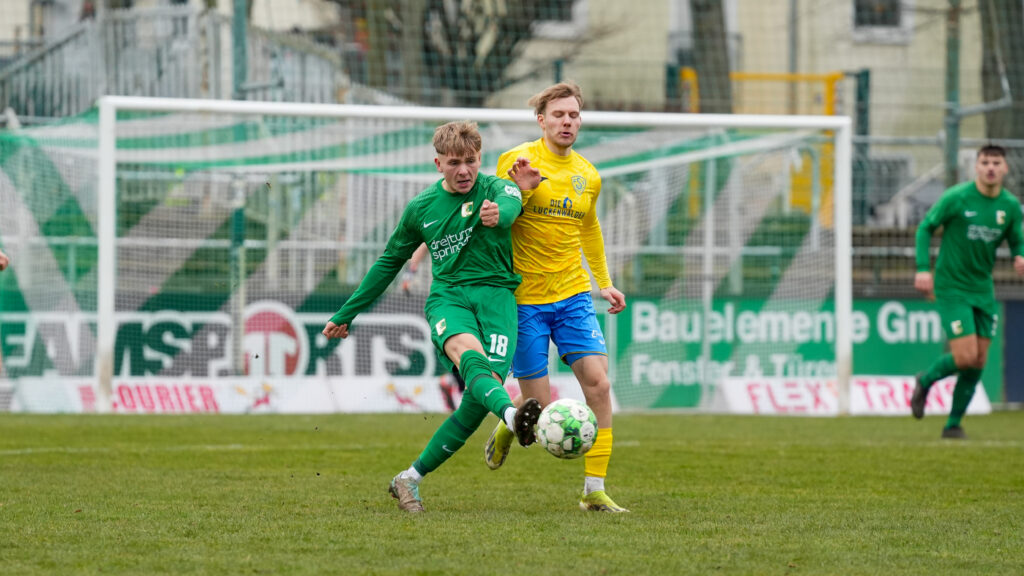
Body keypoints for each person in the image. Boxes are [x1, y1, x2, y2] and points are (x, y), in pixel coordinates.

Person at [322, 121, 543, 512]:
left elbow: (510, 205)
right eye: (454, 162)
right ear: (437, 163)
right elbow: (390, 261)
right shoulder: (420, 209)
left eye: (471, 161)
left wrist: (499, 215)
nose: (464, 171)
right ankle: (511, 414)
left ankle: (408, 478)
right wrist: (347, 313)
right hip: (449, 298)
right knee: (469, 358)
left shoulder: (496, 188)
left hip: (498, 301)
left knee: (476, 402)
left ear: (480, 160)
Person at [484, 83, 629, 512]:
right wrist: (523, 189)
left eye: (575, 115)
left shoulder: (589, 175)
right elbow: (499, 214)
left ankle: (594, 491)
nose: (568, 122)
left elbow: (589, 230)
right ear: (542, 120)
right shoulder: (516, 160)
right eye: (560, 114)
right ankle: (510, 423)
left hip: (572, 296)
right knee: (539, 411)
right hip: (524, 300)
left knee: (599, 386)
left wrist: (603, 281)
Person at [911, 144, 1024, 439]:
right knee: (965, 356)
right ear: (976, 166)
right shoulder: (957, 198)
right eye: (985, 162)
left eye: (996, 162)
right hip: (951, 287)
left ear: (1005, 168)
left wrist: (1020, 255)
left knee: (979, 360)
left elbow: (1017, 239)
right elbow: (925, 227)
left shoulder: (1009, 206)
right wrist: (924, 268)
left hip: (982, 289)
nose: (990, 167)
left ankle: (952, 425)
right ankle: (926, 379)